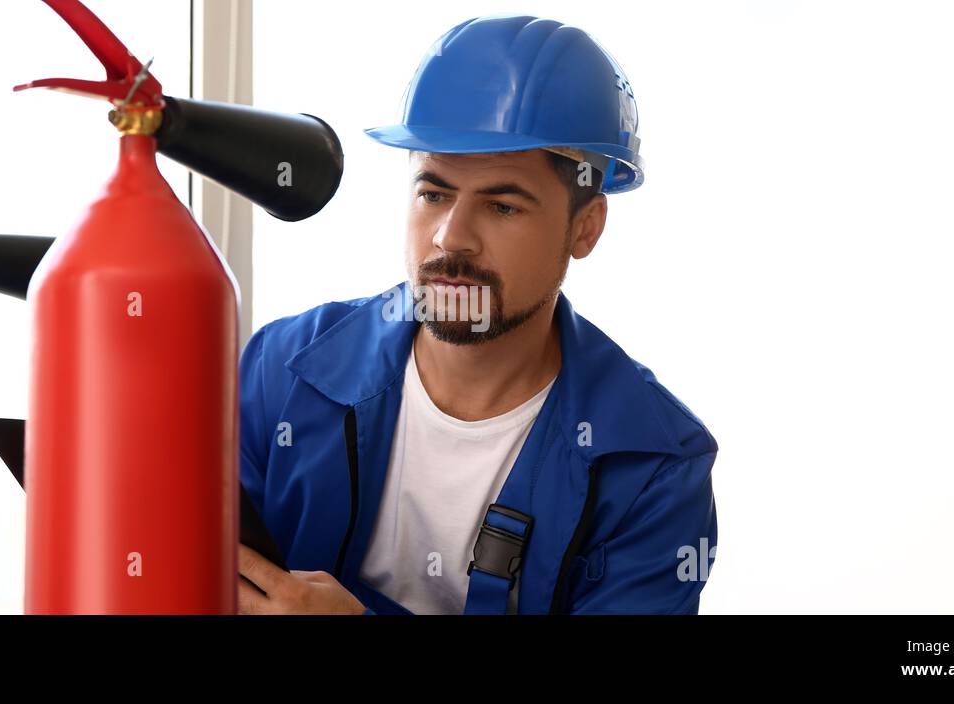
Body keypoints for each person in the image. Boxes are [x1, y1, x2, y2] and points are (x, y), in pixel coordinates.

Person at [236, 15, 718, 615]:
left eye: (501, 205)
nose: (450, 237)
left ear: (585, 227)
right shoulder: (280, 371)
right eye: (433, 193)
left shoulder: (652, 465)